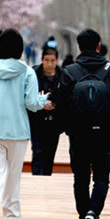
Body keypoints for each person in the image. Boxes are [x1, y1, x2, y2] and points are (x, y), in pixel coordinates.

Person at [48, 28, 110, 219]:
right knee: (102, 177)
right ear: (98, 45)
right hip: (105, 133)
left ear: (79, 47)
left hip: (78, 134)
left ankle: (83, 212)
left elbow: (58, 102)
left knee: (81, 177)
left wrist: (65, 126)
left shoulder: (69, 71)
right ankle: (94, 212)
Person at [0, 29, 52, 217]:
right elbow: (32, 104)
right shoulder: (27, 72)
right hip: (19, 131)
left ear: (0, 47)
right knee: (13, 174)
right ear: (20, 49)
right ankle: (11, 212)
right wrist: (44, 100)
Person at [29, 46, 63, 175]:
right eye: (46, 60)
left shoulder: (62, 75)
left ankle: (46, 177)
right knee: (37, 152)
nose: (49, 64)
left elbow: (67, 96)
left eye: (52, 61)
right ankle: (36, 178)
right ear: (42, 59)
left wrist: (56, 105)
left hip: (54, 123)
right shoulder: (34, 75)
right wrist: (40, 104)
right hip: (36, 121)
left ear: (57, 60)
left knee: (49, 155)